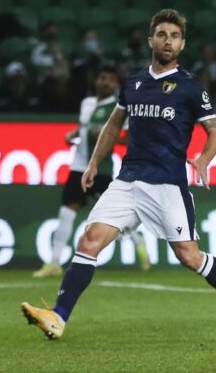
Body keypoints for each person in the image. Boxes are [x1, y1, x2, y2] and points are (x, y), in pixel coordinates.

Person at [21, 9, 216, 340]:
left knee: (189, 256)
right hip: (127, 181)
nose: (168, 41)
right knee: (88, 240)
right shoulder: (133, 82)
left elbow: (215, 132)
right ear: (151, 39)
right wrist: (94, 163)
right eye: (162, 34)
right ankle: (58, 317)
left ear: (182, 44)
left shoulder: (190, 87)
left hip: (167, 185)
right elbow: (113, 125)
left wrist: (205, 159)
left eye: (175, 36)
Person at [32, 64, 151, 278]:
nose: (105, 82)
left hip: (101, 170)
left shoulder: (118, 106)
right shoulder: (86, 103)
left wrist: (108, 137)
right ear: (96, 81)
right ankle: (53, 263)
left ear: (115, 84)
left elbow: (129, 138)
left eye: (110, 79)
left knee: (112, 219)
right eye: (102, 78)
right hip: (79, 168)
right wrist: (74, 133)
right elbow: (84, 127)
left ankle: (137, 240)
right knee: (66, 212)